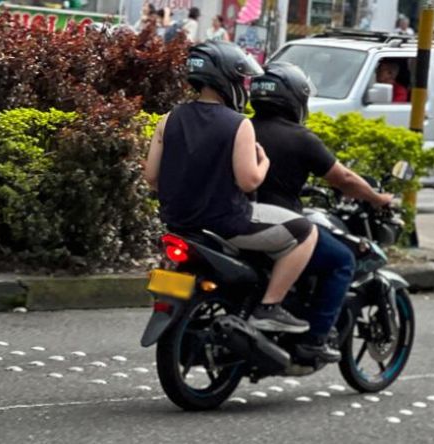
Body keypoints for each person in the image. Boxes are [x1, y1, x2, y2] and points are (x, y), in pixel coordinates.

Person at [144, 42, 318, 333]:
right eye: (241, 80)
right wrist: (263, 162)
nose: (244, 87)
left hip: (177, 223)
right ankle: (270, 307)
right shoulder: (238, 124)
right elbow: (249, 181)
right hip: (226, 223)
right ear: (226, 80)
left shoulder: (168, 119)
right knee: (306, 232)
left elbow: (151, 176)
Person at [251, 62, 394, 362]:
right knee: (342, 260)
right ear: (294, 98)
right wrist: (377, 197)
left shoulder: (242, 128)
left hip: (238, 219)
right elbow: (344, 179)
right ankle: (315, 339)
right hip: (279, 226)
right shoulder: (300, 138)